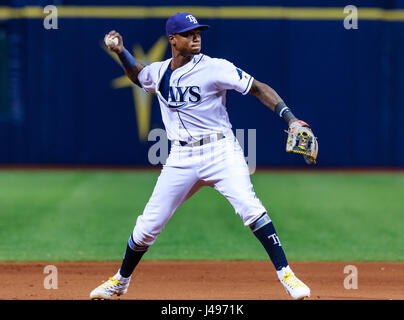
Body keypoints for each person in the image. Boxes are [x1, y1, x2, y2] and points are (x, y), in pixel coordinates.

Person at [90, 12, 311, 300]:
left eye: (198, 32)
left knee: (250, 207)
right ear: (173, 40)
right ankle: (120, 281)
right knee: (146, 227)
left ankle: (288, 276)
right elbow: (139, 76)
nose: (196, 36)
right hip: (181, 157)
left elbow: (258, 88)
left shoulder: (216, 68)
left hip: (221, 152)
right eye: (188, 33)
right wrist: (121, 52)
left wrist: (291, 119)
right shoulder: (159, 72)